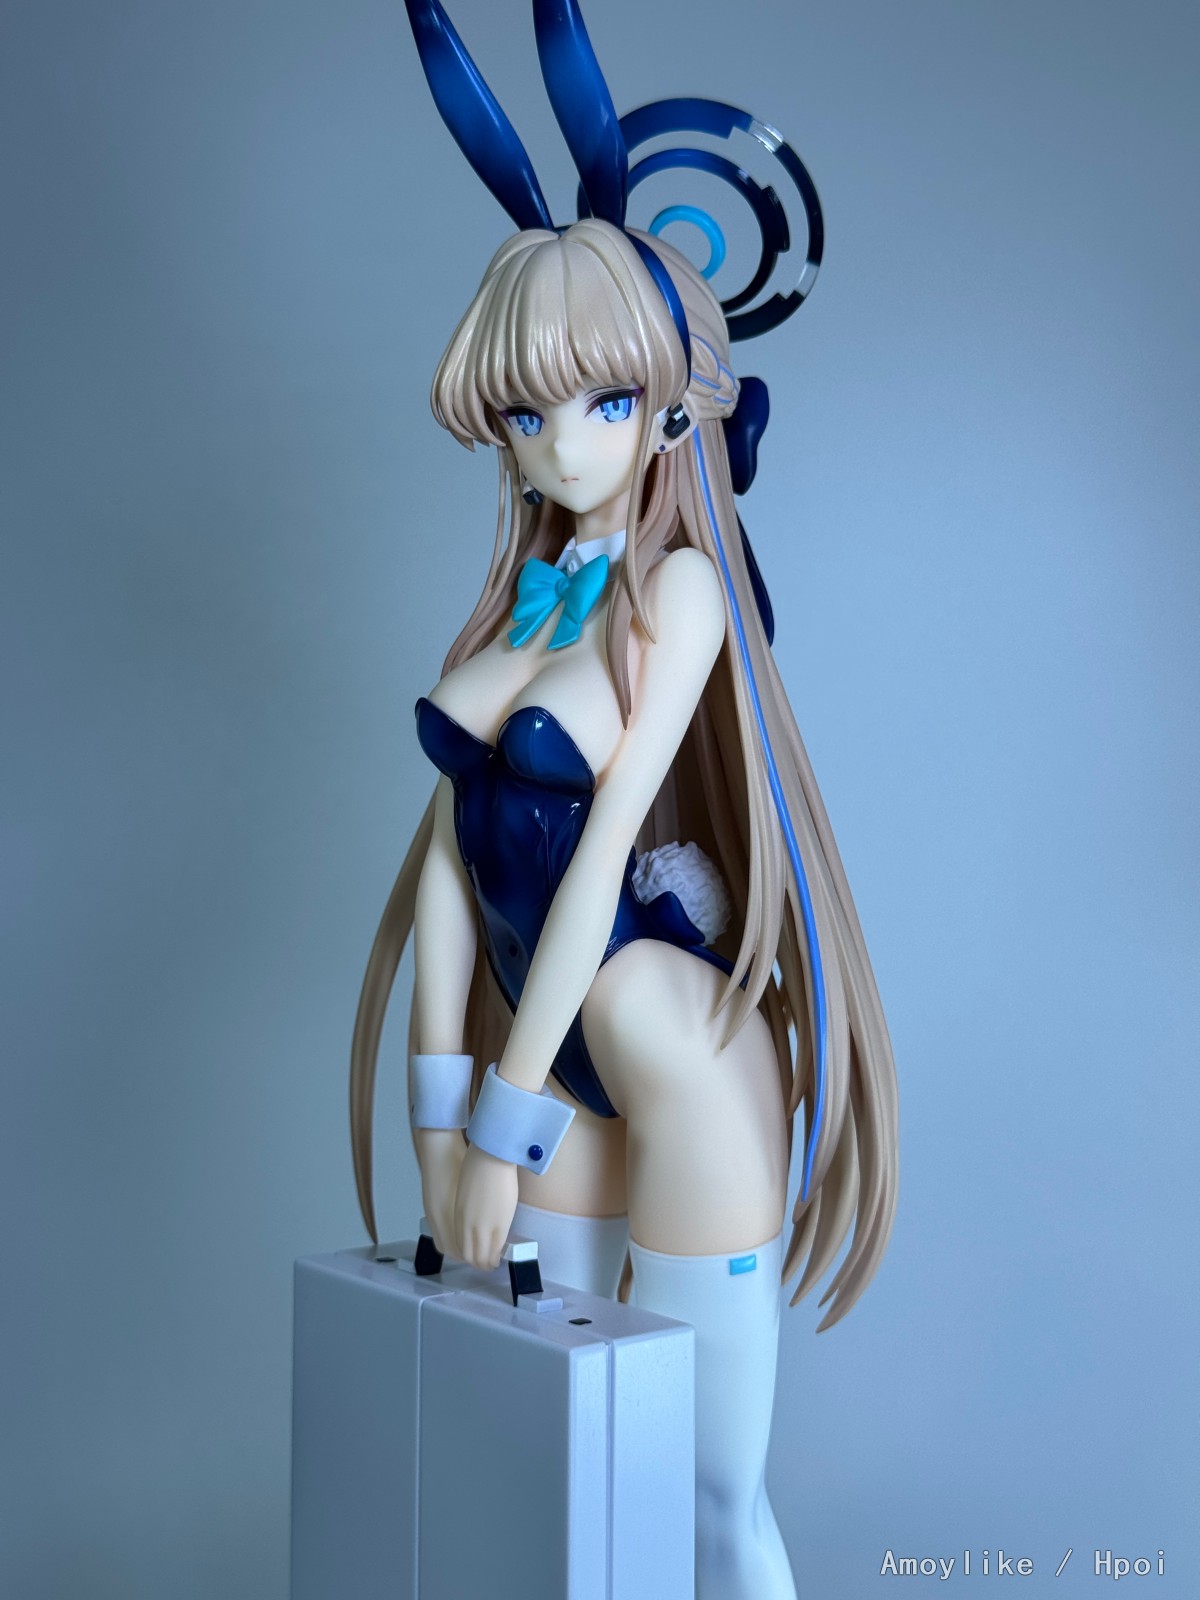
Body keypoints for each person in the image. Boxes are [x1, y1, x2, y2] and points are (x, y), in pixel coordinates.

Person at [350, 8, 899, 1598]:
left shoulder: (679, 595)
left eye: (595, 403)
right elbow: (448, 870)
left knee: (711, 1506)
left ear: (666, 405)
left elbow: (601, 853)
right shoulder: (517, 607)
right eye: (526, 413)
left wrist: (500, 1123)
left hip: (673, 1057)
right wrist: (439, 1125)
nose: (557, 444)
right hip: (540, 1059)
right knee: (561, 1472)